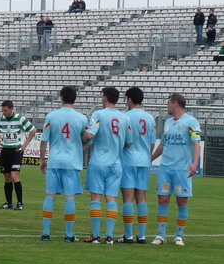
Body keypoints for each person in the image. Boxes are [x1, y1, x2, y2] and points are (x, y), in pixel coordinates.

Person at [149, 93, 201, 246]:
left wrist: (195, 163)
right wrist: (150, 159)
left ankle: (179, 236)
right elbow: (163, 145)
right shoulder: (168, 122)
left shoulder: (191, 121)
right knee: (163, 199)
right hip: (166, 168)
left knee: (182, 201)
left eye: (168, 103)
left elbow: (196, 143)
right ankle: (161, 235)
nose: (167, 106)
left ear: (175, 104)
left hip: (181, 169)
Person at [39, 86, 89, 241]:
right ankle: (69, 235)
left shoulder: (52, 116)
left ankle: (46, 233)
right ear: (75, 98)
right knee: (69, 197)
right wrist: (80, 148)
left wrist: (42, 160)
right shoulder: (82, 118)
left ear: (61, 97)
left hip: (54, 161)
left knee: (50, 196)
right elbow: (87, 139)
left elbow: (44, 140)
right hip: (72, 163)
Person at [83, 87, 133, 244]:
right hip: (116, 163)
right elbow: (129, 143)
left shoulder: (98, 114)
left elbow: (90, 134)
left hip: (98, 162)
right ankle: (109, 236)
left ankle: (96, 236)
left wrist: (83, 138)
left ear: (105, 98)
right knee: (111, 198)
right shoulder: (125, 118)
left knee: (96, 197)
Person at [118, 87, 156, 243]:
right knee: (141, 197)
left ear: (129, 100)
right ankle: (142, 235)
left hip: (128, 160)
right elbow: (152, 143)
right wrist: (147, 157)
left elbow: (124, 142)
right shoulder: (150, 118)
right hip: (144, 161)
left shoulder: (125, 117)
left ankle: (128, 235)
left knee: (128, 197)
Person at [0, 100, 36, 210]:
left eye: (5, 110)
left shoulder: (20, 119)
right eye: (2, 110)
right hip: (5, 151)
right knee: (7, 177)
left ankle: (20, 203)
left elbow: (33, 130)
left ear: (12, 109)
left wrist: (25, 145)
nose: (3, 112)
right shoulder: (0, 120)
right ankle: (8, 203)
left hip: (16, 152)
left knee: (14, 176)